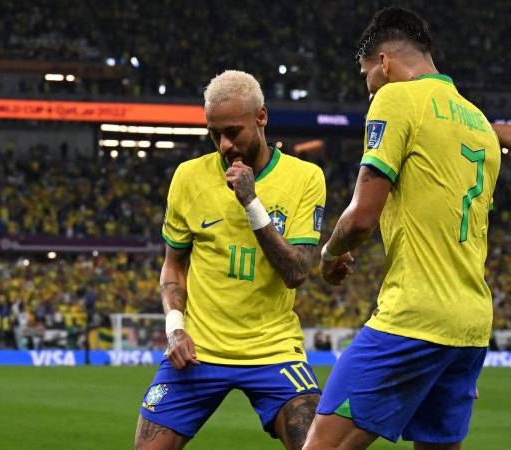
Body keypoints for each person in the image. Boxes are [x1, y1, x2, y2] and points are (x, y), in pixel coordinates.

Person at [303, 7, 501, 450]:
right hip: (469, 325)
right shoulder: (480, 123)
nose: (368, 87)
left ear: (385, 62)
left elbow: (361, 217)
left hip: (414, 315)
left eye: (367, 75)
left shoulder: (396, 98)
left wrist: (330, 253)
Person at [135, 70, 326, 450]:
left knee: (315, 445)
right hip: (199, 350)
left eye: (233, 132)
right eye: (214, 133)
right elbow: (173, 266)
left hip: (273, 349)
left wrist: (251, 203)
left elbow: (297, 272)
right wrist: (175, 329)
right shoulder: (188, 178)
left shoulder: (305, 177)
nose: (224, 145)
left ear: (262, 117)